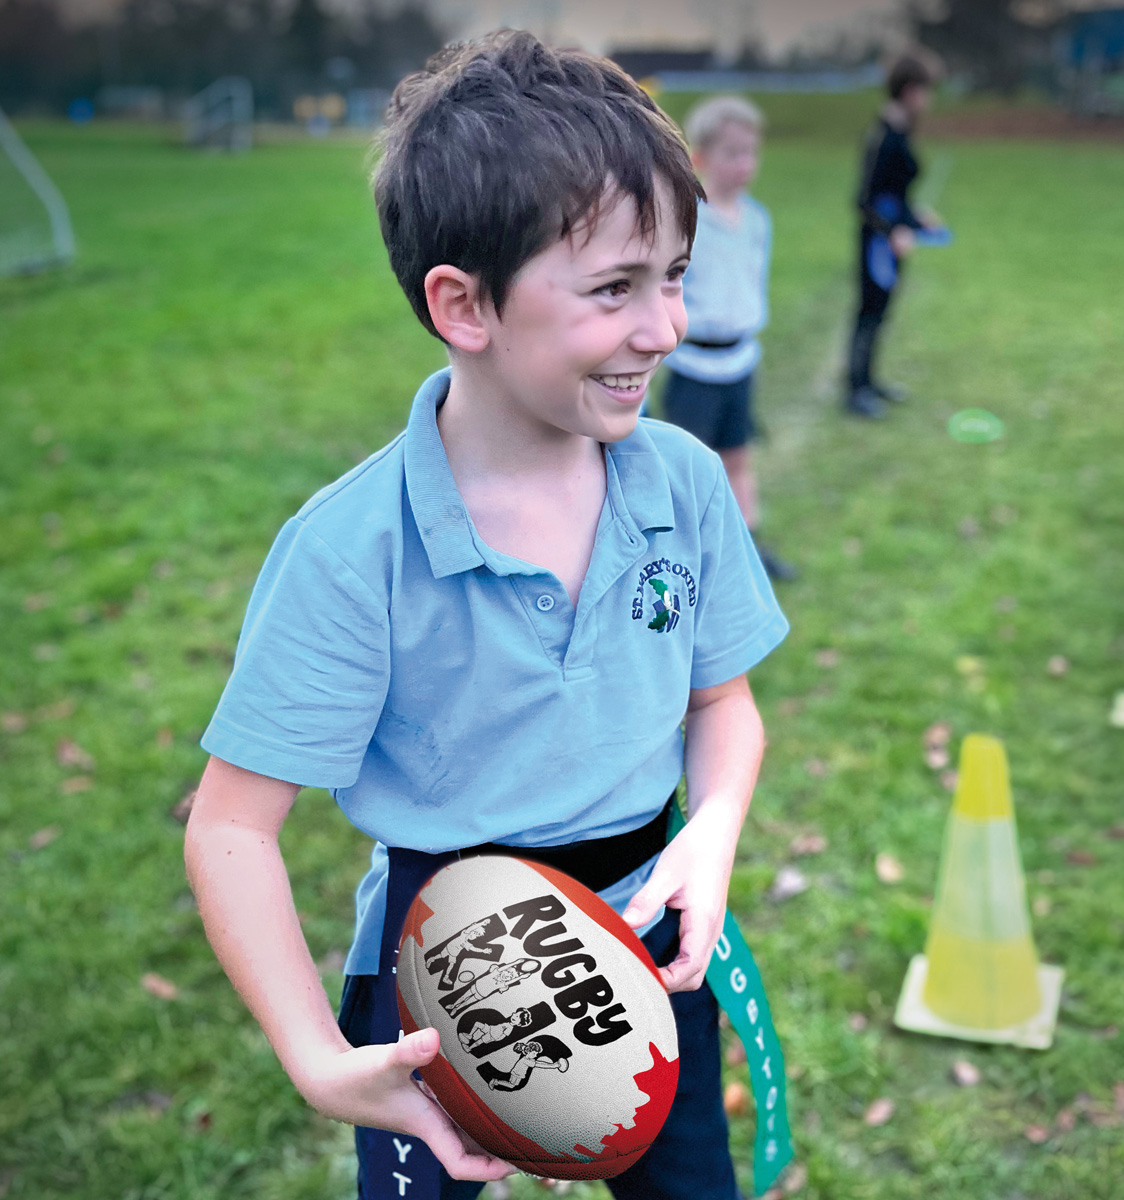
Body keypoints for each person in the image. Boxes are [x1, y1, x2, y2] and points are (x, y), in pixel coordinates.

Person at [184, 30, 788, 1200]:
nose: (665, 327)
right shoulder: (355, 548)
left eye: (675, 275)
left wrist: (709, 831)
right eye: (617, 287)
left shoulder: (685, 481)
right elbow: (230, 827)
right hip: (435, 971)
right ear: (463, 305)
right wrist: (318, 1058)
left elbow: (725, 704)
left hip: (648, 944)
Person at [659, 95, 795, 582]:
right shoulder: (685, 219)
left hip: (740, 362)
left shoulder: (758, 219)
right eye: (733, 153)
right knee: (689, 472)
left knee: (738, 458)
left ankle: (749, 549)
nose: (746, 164)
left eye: (751, 153)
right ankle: (687, 562)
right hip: (694, 367)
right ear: (700, 158)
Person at [846, 52, 942, 420]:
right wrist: (894, 231)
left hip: (894, 237)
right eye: (926, 90)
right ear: (910, 90)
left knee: (881, 312)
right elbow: (864, 200)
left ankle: (870, 382)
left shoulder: (901, 129)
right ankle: (855, 390)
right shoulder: (882, 135)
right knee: (868, 311)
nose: (929, 100)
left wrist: (915, 216)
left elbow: (895, 191)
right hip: (876, 243)